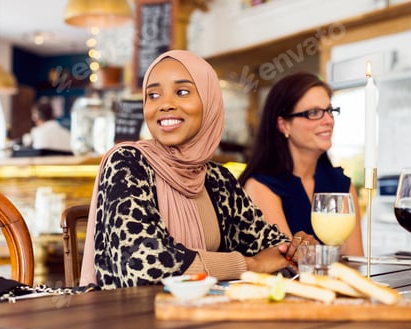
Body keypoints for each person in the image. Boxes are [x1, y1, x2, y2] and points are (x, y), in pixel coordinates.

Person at [79, 50, 316, 289]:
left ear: (209, 101)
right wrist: (250, 265)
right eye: (153, 95)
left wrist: (296, 247)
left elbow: (274, 250)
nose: (165, 105)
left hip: (204, 317)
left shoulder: (218, 179)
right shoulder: (127, 163)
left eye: (182, 92)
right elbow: (144, 266)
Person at [238, 72, 363, 256]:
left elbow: (355, 262)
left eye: (329, 110)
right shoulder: (262, 187)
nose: (328, 120)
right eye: (313, 113)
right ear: (283, 125)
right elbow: (290, 265)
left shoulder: (341, 185)